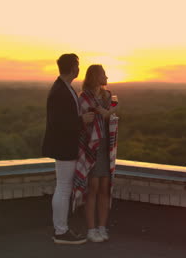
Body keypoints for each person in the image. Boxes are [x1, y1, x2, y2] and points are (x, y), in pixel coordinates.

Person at [42, 53, 94, 245]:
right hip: (64, 146)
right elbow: (58, 123)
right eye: (77, 66)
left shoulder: (64, 88)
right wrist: (82, 120)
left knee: (63, 187)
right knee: (63, 187)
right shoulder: (59, 91)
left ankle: (62, 229)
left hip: (65, 145)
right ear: (73, 68)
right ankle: (61, 232)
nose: (79, 69)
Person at [72, 64, 119, 243]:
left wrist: (106, 112)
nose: (106, 77)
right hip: (91, 149)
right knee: (92, 189)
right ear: (95, 77)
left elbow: (116, 105)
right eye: (103, 74)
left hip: (106, 148)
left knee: (104, 189)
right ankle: (91, 229)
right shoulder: (84, 98)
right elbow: (80, 123)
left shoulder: (107, 96)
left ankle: (102, 227)